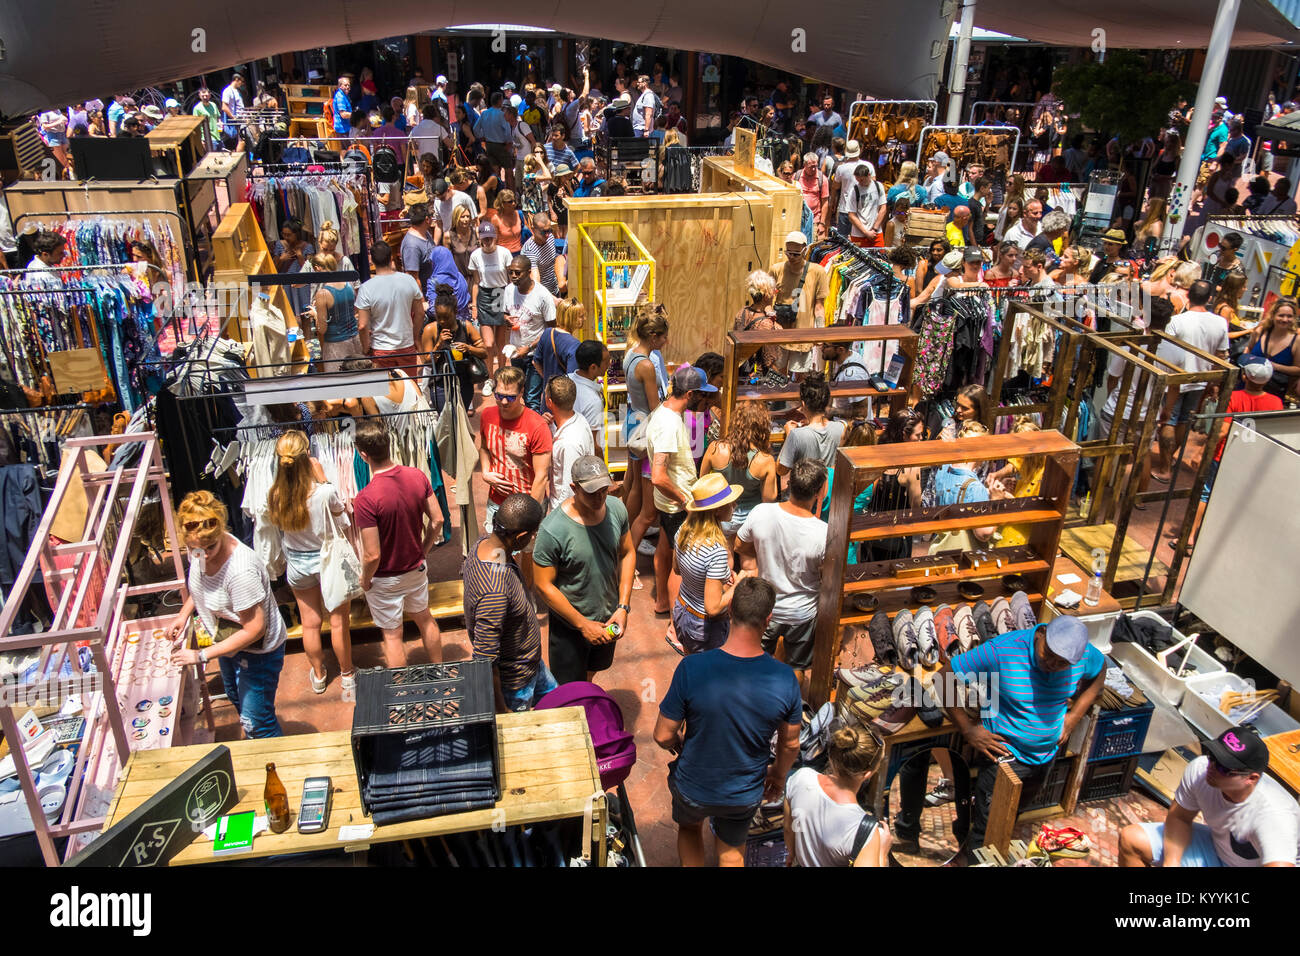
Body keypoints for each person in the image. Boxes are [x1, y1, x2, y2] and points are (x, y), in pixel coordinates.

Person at [654, 576, 802, 867]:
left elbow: (662, 735)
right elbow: (791, 742)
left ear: (730, 610)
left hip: (693, 787)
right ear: (768, 619)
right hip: (744, 792)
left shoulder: (691, 668)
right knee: (732, 849)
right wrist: (777, 775)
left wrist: (679, 744)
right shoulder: (785, 679)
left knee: (690, 827)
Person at [940, 615, 1106, 856]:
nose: (1052, 664)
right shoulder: (1003, 650)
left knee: (1010, 815)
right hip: (1005, 757)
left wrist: (1073, 718)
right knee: (988, 831)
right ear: (1040, 634)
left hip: (1045, 757)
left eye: (1061, 663)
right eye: (1047, 654)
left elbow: (1100, 671)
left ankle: (966, 833)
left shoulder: (1082, 656)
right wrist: (967, 729)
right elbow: (943, 677)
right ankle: (974, 852)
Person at [165, 491, 287, 738]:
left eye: (211, 547)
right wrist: (184, 613)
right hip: (228, 642)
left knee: (257, 722)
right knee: (236, 697)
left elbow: (255, 629)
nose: (204, 554)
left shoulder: (241, 571)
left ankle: (275, 766)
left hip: (257, 652)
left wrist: (201, 655)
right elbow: (200, 584)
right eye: (195, 548)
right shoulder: (198, 546)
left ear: (221, 530)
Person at [1119, 726, 1299, 867]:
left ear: (1250, 779)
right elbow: (1180, 818)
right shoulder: (1200, 770)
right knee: (1132, 839)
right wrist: (1171, 863)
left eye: (1224, 767)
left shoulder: (1274, 817)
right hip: (1218, 849)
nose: (1211, 767)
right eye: (1212, 756)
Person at [264, 429, 355, 696]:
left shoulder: (274, 495)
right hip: (327, 560)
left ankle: (318, 674)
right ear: (307, 457)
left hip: (298, 563)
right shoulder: (323, 492)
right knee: (339, 622)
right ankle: (347, 675)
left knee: (310, 623)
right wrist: (324, 479)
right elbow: (342, 514)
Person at [533, 456, 635, 684]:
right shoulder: (553, 530)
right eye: (591, 492)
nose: (599, 497)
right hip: (570, 626)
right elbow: (543, 585)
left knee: (593, 670)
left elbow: (627, 552)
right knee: (567, 686)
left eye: (603, 490)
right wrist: (582, 624)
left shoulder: (617, 508)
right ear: (574, 488)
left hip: (608, 617)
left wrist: (623, 607)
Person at [351, 419, 443, 667]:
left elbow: (372, 555)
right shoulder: (417, 476)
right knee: (425, 619)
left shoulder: (365, 499)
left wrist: (365, 579)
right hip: (415, 569)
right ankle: (440, 669)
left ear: (363, 454)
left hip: (385, 578)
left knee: (392, 635)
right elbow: (438, 520)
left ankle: (401, 696)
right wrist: (423, 551)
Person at [737, 459, 828, 696]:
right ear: (820, 492)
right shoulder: (823, 532)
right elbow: (826, 574)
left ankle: (757, 704)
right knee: (796, 669)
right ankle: (787, 707)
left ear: (789, 483)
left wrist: (761, 560)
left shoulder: (762, 512)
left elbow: (740, 545)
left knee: (756, 663)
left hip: (767, 606)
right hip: (802, 613)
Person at [464, 493, 558, 711]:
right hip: (516, 684)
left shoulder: (485, 545)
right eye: (533, 535)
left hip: (532, 664)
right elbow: (485, 659)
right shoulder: (494, 591)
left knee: (557, 704)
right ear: (521, 536)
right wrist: (501, 708)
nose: (533, 539)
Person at [646, 365, 714, 617]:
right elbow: (658, 476)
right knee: (680, 565)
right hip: (676, 505)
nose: (706, 400)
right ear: (691, 394)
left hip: (669, 503)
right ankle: (676, 621)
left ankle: (662, 601)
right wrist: (685, 499)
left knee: (664, 550)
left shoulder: (665, 414)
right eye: (703, 395)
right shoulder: (669, 424)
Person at [1152, 280, 1230, 482]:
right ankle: (1168, 462)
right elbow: (1221, 356)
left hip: (1176, 378)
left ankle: (1165, 466)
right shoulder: (1220, 322)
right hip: (1202, 379)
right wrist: (1214, 383)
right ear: (1210, 299)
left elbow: (1165, 348)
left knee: (1168, 420)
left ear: (1188, 296)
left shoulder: (1178, 321)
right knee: (1184, 420)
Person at [784, 723, 891, 867]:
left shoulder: (800, 778)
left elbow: (788, 828)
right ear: (867, 774)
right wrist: (882, 853)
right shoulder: (864, 831)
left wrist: (792, 855)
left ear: (833, 757)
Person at [671, 472, 751, 655]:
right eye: (730, 503)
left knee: (692, 664)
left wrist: (716, 578)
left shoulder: (683, 530)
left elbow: (677, 569)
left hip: (682, 611)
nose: (735, 505)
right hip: (703, 627)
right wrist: (737, 585)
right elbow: (713, 608)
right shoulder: (716, 551)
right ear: (717, 510)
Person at [478, 365, 552, 537]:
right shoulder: (487, 416)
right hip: (497, 503)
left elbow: (541, 477)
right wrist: (485, 472)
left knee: (527, 557)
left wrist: (529, 518)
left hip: (528, 504)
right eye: (499, 396)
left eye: (510, 398)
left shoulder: (537, 426)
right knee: (497, 556)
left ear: (521, 393)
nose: (504, 402)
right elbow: (484, 448)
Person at [699, 400, 779, 545]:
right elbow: (769, 500)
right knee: (749, 564)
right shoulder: (766, 460)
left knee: (725, 556)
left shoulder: (715, 449)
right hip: (750, 521)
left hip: (722, 516)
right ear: (762, 426)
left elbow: (702, 484)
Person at [356, 241, 424, 369]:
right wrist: (415, 338)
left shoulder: (366, 288)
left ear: (372, 261)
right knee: (408, 387)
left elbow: (362, 325)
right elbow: (420, 313)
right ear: (391, 258)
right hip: (406, 346)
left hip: (380, 350)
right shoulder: (409, 280)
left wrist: (365, 348)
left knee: (386, 388)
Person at [769, 232, 830, 377]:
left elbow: (819, 306)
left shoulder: (818, 272)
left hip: (803, 335)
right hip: (780, 333)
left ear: (805, 250)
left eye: (796, 254)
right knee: (778, 375)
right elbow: (766, 301)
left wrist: (820, 332)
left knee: (801, 377)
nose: (791, 257)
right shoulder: (776, 270)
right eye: (788, 253)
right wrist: (771, 321)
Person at [422, 282, 487, 413]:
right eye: (438, 317)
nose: (442, 321)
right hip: (440, 384)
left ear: (456, 312)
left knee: (460, 419)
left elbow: (484, 352)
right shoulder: (430, 330)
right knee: (446, 421)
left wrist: (469, 348)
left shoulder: (466, 326)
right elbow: (427, 361)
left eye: (446, 317)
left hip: (464, 383)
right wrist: (439, 345)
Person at [504, 253, 555, 412]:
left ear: (528, 272)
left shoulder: (542, 295)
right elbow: (505, 313)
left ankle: (534, 434)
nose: (513, 276)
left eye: (517, 272)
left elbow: (551, 329)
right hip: (515, 352)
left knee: (532, 399)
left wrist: (530, 348)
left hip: (535, 355)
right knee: (517, 393)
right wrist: (506, 319)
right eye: (511, 272)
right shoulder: (508, 290)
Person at [542, 375, 594, 509]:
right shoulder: (578, 418)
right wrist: (550, 427)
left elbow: (570, 489)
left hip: (564, 511)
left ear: (549, 402)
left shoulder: (569, 443)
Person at [778, 372, 844, 474]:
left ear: (803, 404)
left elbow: (781, 470)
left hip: (804, 488)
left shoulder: (796, 435)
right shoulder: (841, 427)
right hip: (829, 486)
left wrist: (788, 436)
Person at [307, 252, 363, 369]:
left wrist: (315, 314)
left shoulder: (322, 294)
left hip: (336, 347)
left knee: (340, 381)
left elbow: (322, 329)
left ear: (317, 268)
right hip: (355, 341)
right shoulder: (348, 284)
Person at [1242, 296, 1299, 399]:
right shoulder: (1260, 332)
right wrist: (1244, 368)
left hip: (1273, 393)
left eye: (1289, 316)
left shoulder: (1297, 341)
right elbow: (1248, 350)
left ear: (1294, 318)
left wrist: (1272, 365)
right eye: (1281, 315)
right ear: (1273, 316)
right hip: (1246, 388)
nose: (1285, 319)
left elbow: (1298, 369)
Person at [569, 339, 609, 449]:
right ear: (593, 367)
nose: (609, 364)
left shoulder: (566, 379)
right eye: (606, 361)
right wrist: (600, 465)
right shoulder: (593, 401)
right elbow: (594, 444)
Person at [271, 219, 316, 318]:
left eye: (289, 235)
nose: (286, 237)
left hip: (302, 287)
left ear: (296, 234)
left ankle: (306, 334)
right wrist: (281, 259)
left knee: (305, 315)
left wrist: (300, 257)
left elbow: (310, 271)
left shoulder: (307, 247)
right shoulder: (280, 245)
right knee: (287, 315)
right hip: (285, 285)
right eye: (284, 234)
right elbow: (272, 269)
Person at [400, 202, 440, 292]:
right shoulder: (411, 246)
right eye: (431, 216)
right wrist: (422, 303)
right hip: (425, 296)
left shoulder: (425, 233)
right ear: (427, 219)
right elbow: (413, 278)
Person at [521, 211, 564, 295]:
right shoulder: (529, 251)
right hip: (542, 296)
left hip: (555, 290)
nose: (547, 235)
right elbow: (536, 284)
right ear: (533, 229)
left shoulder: (550, 237)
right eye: (543, 232)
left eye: (549, 230)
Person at [847, 162, 885, 247]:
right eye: (858, 180)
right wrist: (866, 232)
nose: (860, 182)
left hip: (876, 233)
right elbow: (851, 215)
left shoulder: (878, 186)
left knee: (881, 257)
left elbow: (883, 208)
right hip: (858, 235)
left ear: (869, 175)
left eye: (862, 180)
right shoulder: (854, 191)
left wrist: (874, 228)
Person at [830, 140, 864, 235]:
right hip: (862, 209)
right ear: (859, 150)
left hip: (845, 209)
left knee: (843, 241)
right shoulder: (868, 166)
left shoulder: (842, 168)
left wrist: (832, 203)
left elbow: (834, 187)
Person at [796, 152, 830, 235]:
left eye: (815, 166)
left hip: (814, 220)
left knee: (812, 246)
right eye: (811, 167)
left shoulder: (822, 179)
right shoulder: (797, 176)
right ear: (804, 165)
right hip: (798, 219)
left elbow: (825, 202)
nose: (814, 169)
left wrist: (822, 223)